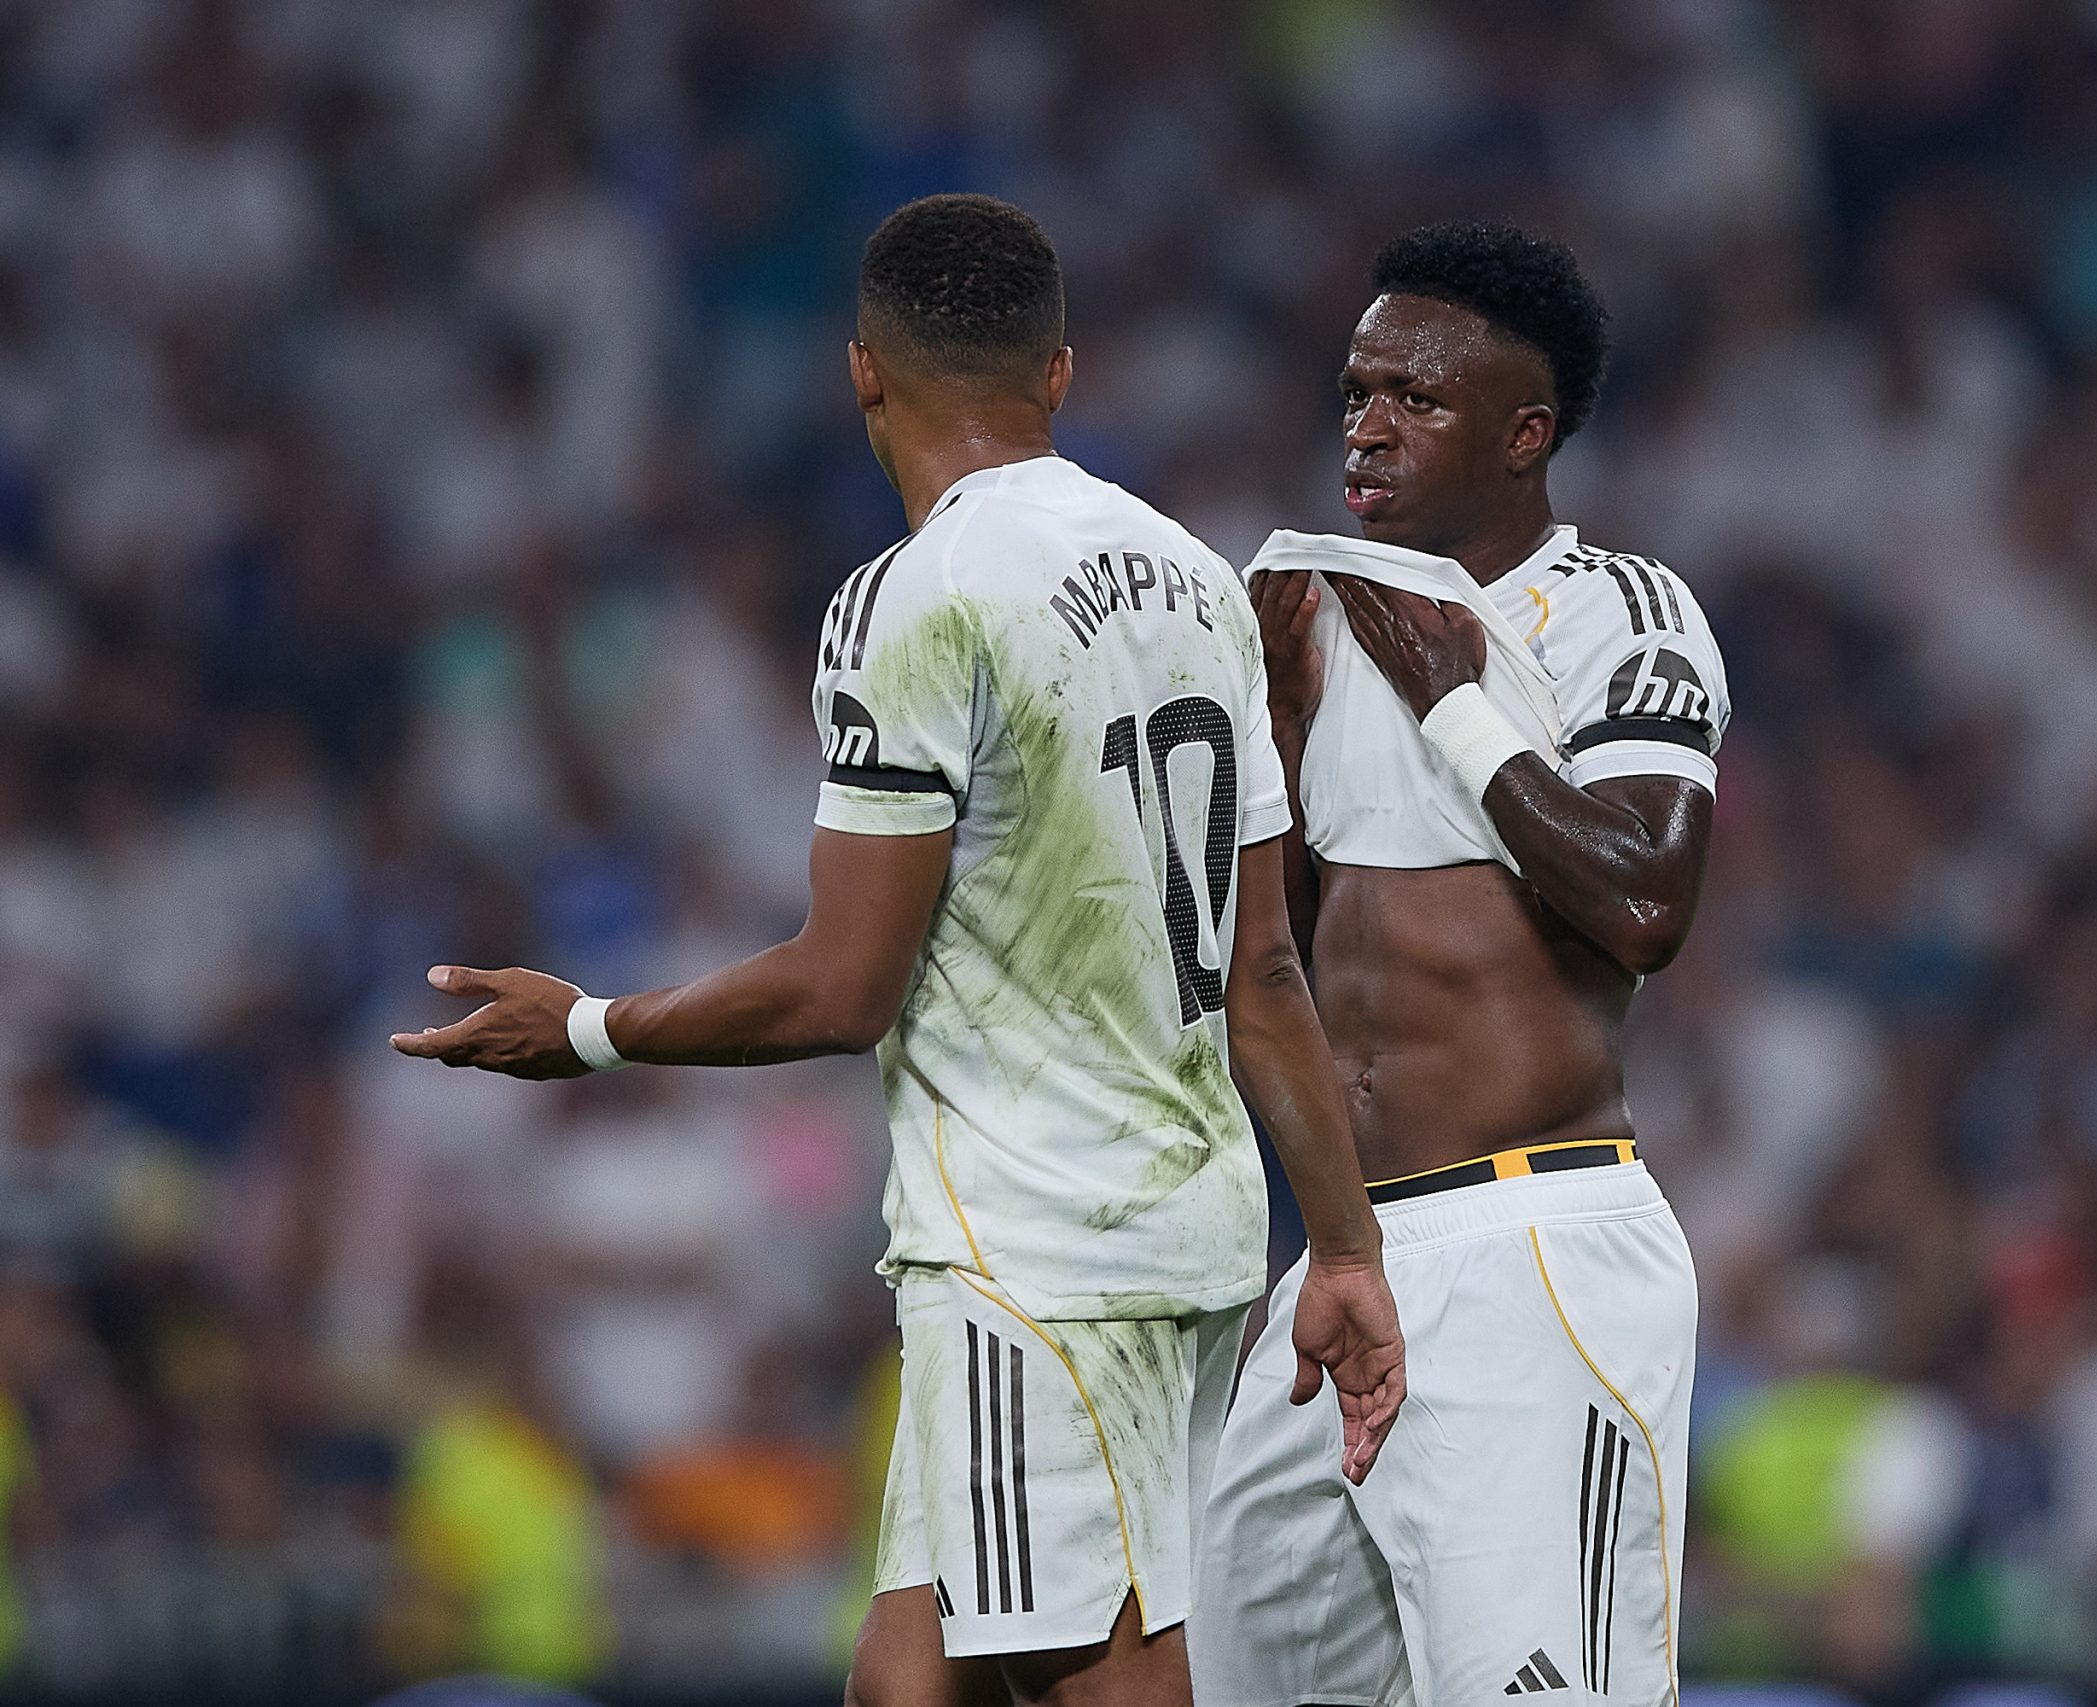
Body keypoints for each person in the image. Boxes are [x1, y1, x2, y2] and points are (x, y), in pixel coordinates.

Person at [392, 193, 1404, 1707]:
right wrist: (1342, 1245)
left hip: (1036, 1245)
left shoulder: (913, 598)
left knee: (1100, 1676)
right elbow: (1265, 971)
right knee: (909, 1675)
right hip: (1189, 1227)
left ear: (862, 371)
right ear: (1060, 372)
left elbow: (843, 985)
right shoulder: (1199, 578)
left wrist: (590, 1029)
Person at [1189, 223, 1729, 1705]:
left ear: (1524, 435)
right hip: (1345, 1262)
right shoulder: (1306, 618)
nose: (1367, 426)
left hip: (1532, 1247)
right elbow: (1281, 968)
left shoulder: (1617, 610)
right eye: (1357, 393)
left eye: (1416, 400)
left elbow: (1647, 900)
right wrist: (1279, 733)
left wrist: (1454, 703)